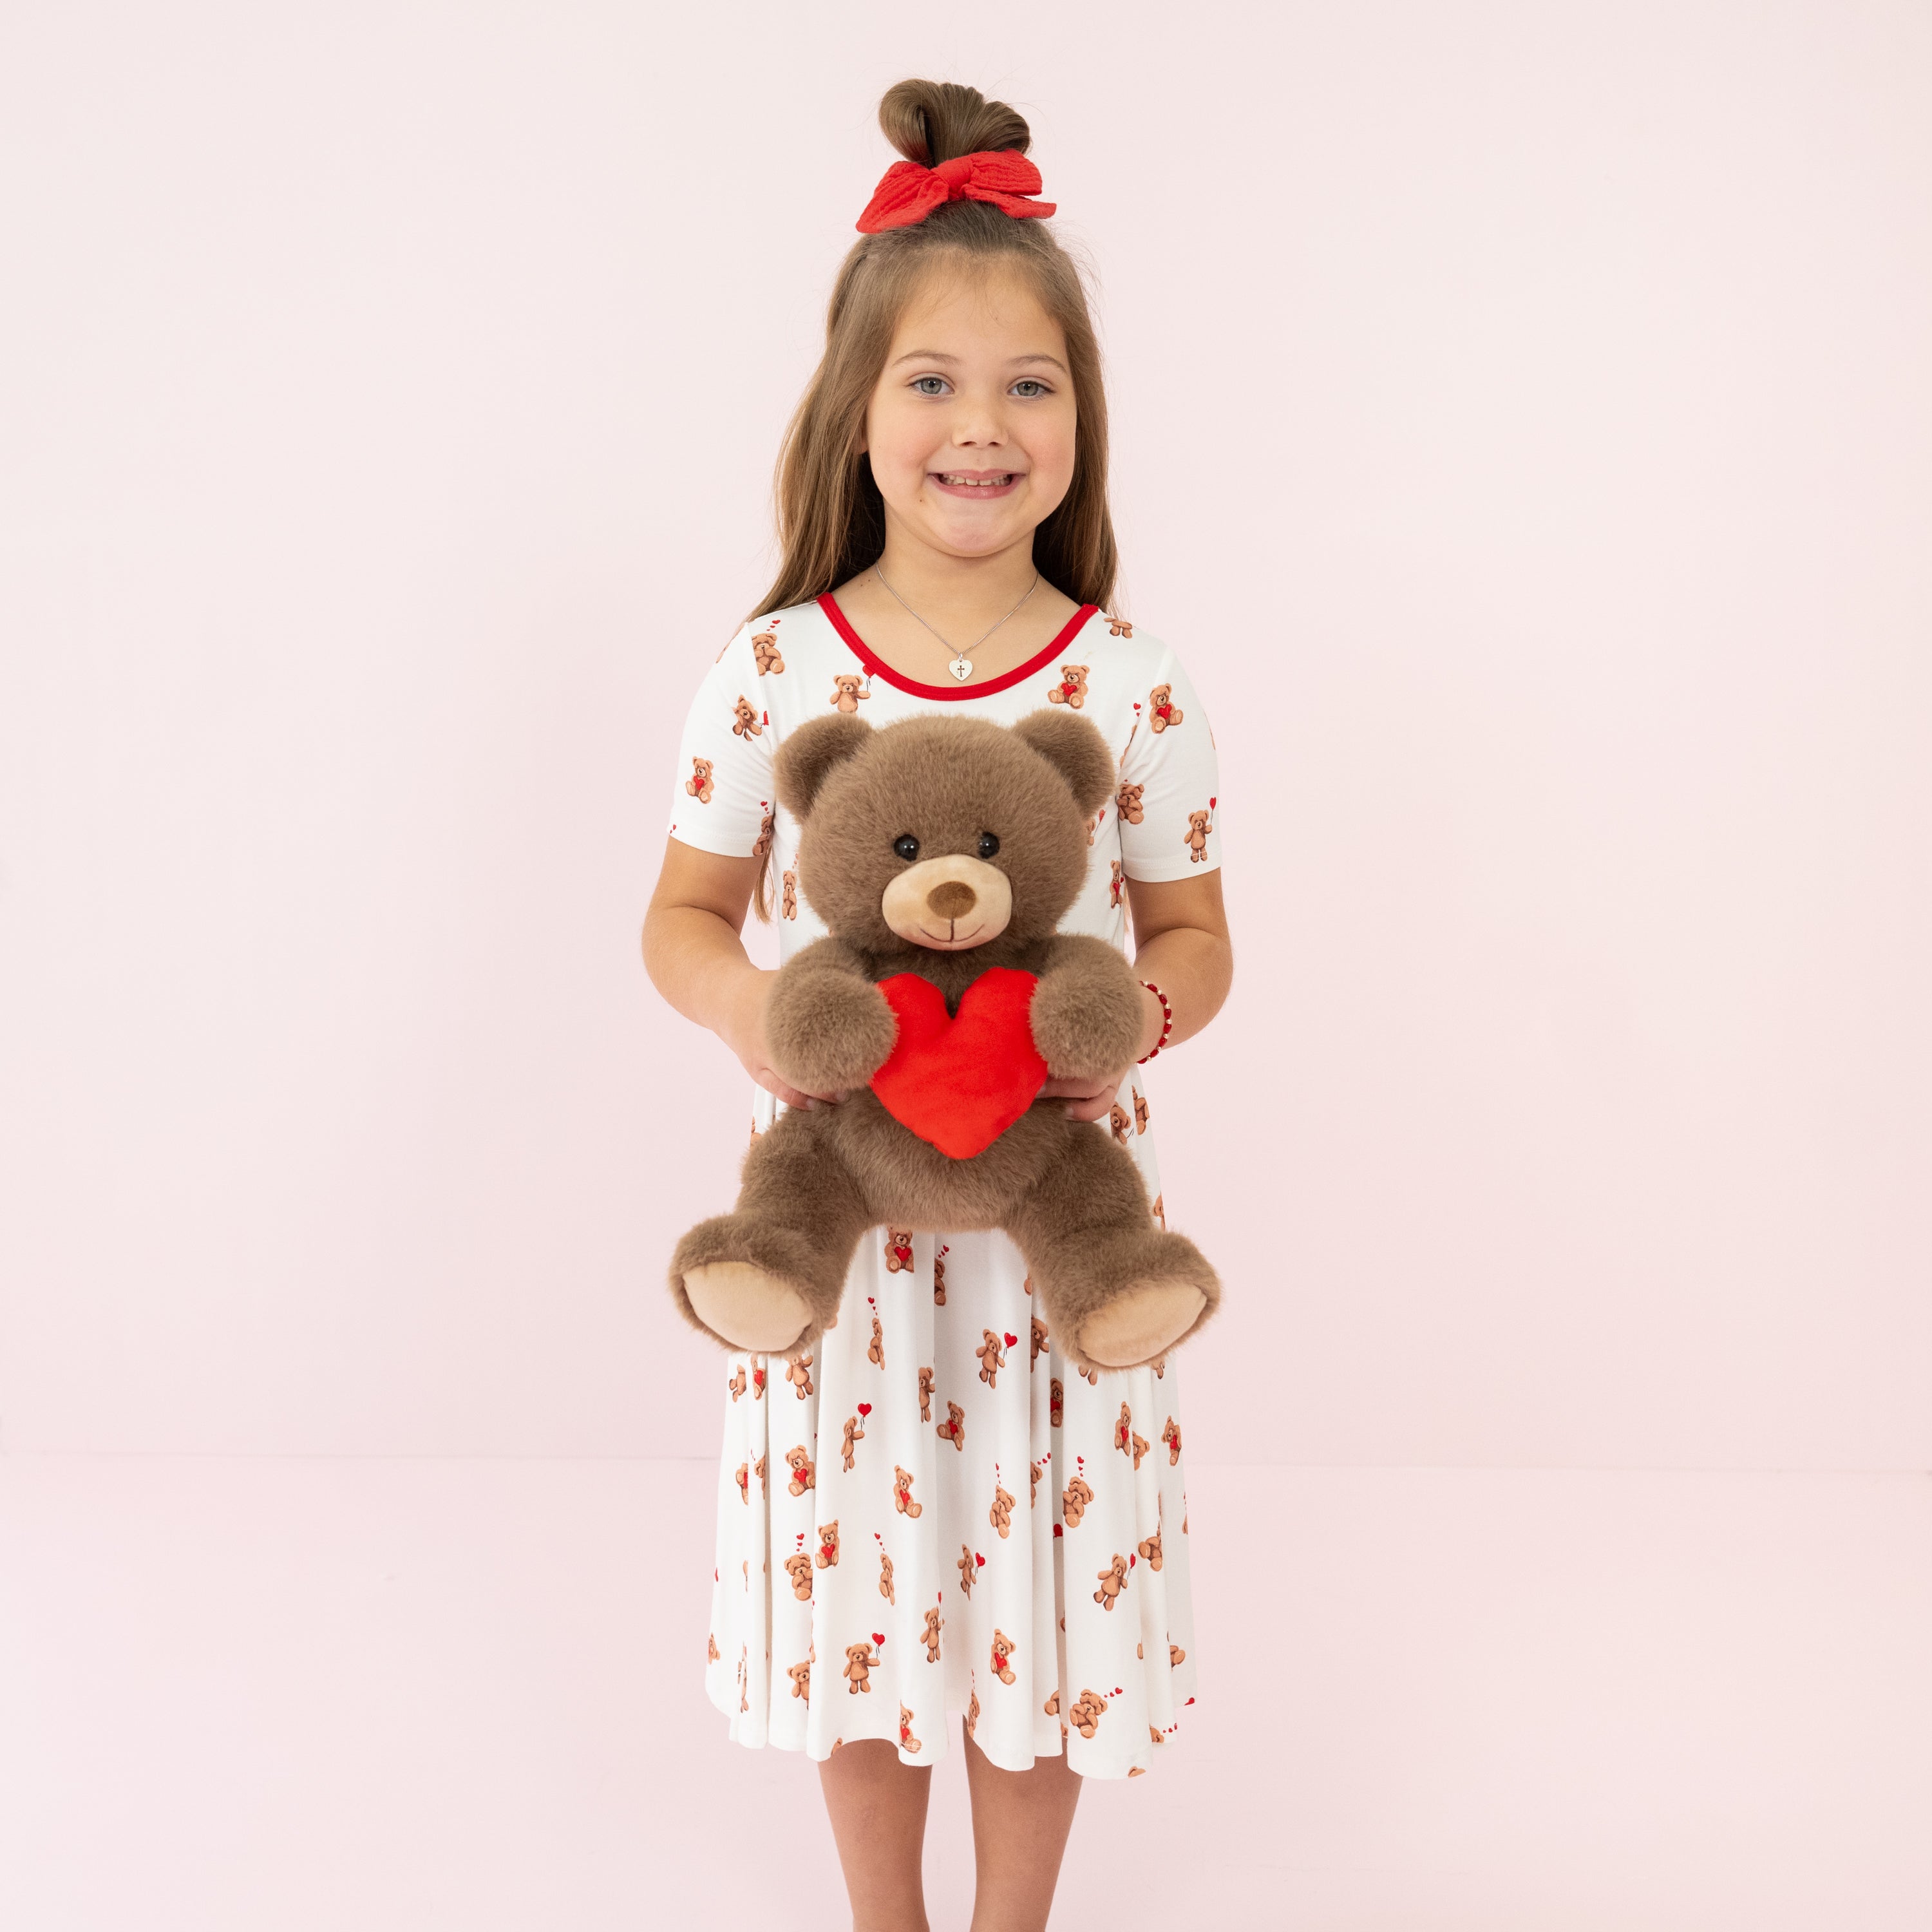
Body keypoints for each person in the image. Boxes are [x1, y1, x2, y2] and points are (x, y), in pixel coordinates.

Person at [641, 77, 1232, 1932]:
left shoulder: (1129, 681)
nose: (982, 424)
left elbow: (1197, 938)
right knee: (862, 1598)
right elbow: (680, 915)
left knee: (1034, 1601)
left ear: (1082, 419)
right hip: (843, 1245)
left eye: (1029, 384)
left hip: (1050, 1242)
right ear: (857, 413)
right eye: (934, 382)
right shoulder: (772, 674)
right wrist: (760, 1016)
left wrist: (1123, 1028)